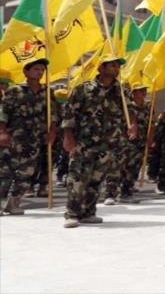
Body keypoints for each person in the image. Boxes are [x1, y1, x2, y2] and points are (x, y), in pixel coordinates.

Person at [63, 55, 134, 228]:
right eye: (112, 65)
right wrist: (68, 137)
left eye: (118, 66)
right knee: (78, 178)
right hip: (85, 142)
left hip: (109, 142)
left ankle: (88, 212)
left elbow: (130, 111)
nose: (116, 69)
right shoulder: (83, 89)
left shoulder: (122, 91)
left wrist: (132, 126)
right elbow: (69, 114)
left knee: (96, 179)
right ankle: (72, 213)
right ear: (101, 68)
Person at [0, 59, 59, 215]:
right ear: (26, 72)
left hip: (35, 139)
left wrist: (52, 132)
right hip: (14, 138)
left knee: (27, 173)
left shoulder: (47, 92)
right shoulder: (15, 91)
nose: (39, 72)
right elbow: (3, 113)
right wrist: (2, 132)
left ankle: (13, 204)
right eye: (36, 69)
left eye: (42, 70)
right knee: (5, 173)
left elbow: (53, 115)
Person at [119, 84, 149, 203]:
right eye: (141, 91)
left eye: (145, 90)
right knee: (127, 165)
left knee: (136, 165)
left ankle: (129, 187)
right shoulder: (128, 107)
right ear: (134, 93)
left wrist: (150, 138)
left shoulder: (147, 107)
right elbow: (130, 122)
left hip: (141, 141)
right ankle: (123, 191)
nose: (144, 93)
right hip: (128, 141)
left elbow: (150, 124)